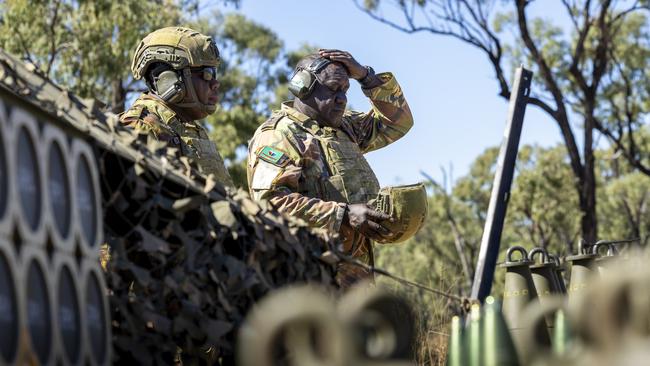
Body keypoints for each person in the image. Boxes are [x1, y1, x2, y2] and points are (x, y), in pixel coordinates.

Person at [247, 49, 413, 286]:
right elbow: (270, 204)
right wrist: (343, 214)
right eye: (334, 89)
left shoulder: (344, 128)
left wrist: (366, 77)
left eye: (345, 90)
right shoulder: (278, 135)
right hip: (307, 280)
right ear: (302, 87)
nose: (342, 99)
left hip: (354, 277)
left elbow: (398, 121)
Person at [120, 26, 233, 187]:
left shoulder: (189, 128)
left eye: (214, 73)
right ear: (169, 79)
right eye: (207, 74)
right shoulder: (141, 125)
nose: (215, 83)